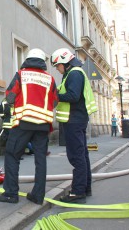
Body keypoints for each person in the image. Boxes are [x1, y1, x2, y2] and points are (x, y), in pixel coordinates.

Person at [0, 48, 58, 205]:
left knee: (12, 155)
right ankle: (38, 196)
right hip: (43, 125)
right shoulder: (50, 78)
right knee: (40, 159)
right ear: (42, 61)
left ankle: (10, 194)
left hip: (23, 123)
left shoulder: (21, 75)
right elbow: (55, 101)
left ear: (27, 59)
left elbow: (9, 96)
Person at [50, 48, 98, 204]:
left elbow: (73, 95)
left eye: (57, 65)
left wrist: (54, 97)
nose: (57, 69)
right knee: (82, 155)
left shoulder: (74, 73)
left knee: (76, 157)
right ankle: (85, 188)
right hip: (77, 119)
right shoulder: (72, 74)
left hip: (74, 121)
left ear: (65, 62)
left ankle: (77, 193)